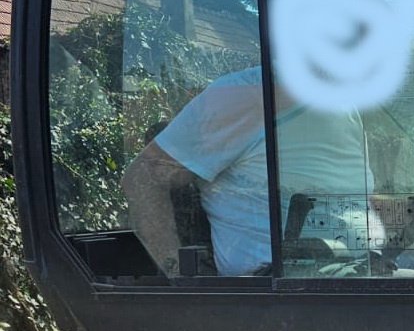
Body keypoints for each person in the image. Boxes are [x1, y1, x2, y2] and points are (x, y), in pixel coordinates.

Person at [123, 67, 384, 277]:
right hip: (280, 298)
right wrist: (182, 279)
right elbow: (142, 178)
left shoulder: (344, 106)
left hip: (364, 276)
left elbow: (350, 198)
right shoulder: (243, 95)